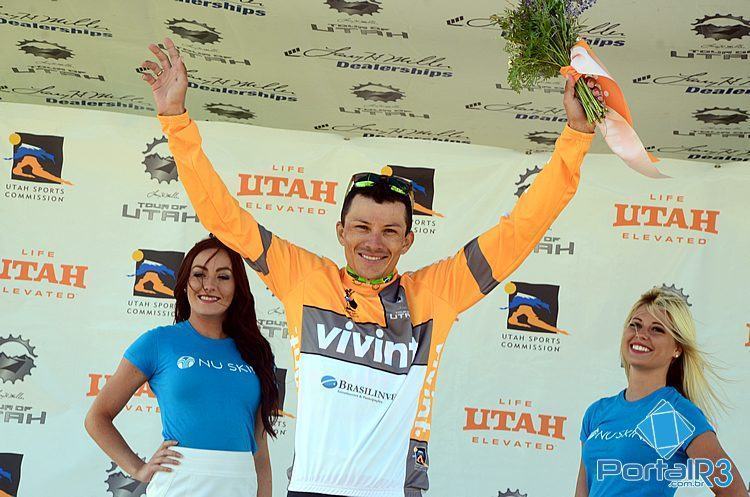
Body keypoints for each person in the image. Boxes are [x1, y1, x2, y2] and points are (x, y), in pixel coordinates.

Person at [140, 37, 599, 497]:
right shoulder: (304, 277)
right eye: (361, 227)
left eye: (389, 232)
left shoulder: (437, 292)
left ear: (408, 240)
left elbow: (523, 227)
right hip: (313, 487)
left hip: (396, 489)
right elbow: (223, 217)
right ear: (340, 231)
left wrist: (576, 138)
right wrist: (176, 120)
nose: (373, 243)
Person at [85, 236, 278, 497]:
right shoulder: (158, 342)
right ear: (185, 281)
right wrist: (138, 469)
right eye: (199, 274)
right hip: (181, 484)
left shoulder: (256, 352)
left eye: (223, 277)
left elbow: (260, 449)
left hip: (240, 484)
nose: (209, 285)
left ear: (237, 287)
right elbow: (97, 417)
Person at [574, 287, 747, 496]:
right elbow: (582, 491)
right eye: (635, 325)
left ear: (677, 348)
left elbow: (733, 492)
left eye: (657, 329)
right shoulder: (599, 412)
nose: (641, 335)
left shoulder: (665, 414)